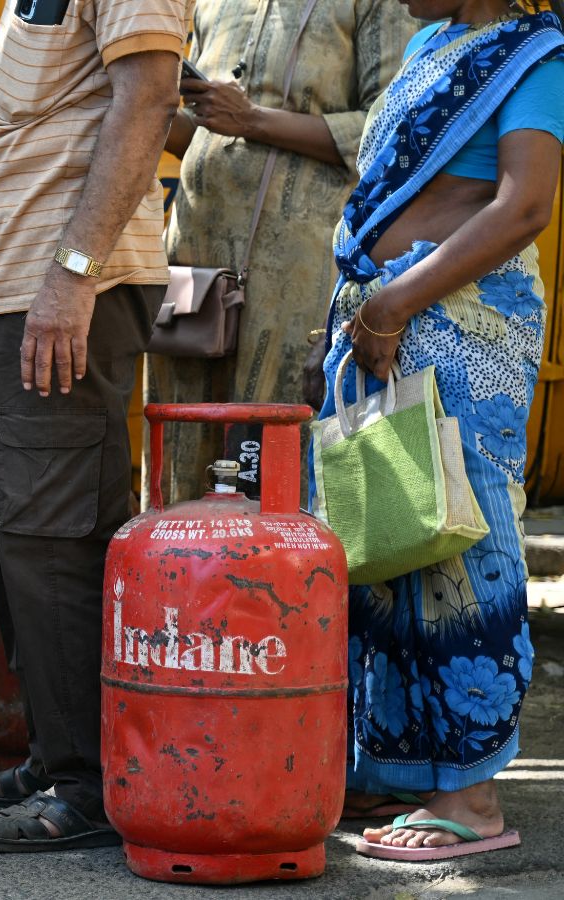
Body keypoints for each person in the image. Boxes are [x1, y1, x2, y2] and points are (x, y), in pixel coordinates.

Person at [0, 0, 189, 852]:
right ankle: (58, 758)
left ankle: (89, 785)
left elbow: (150, 96)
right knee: (20, 529)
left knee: (55, 538)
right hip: (11, 288)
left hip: (62, 287)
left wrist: (73, 275)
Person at [316, 0, 562, 861]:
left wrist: (398, 297)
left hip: (465, 329)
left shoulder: (538, 59)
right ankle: (397, 772)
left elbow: (526, 204)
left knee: (464, 537)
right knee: (380, 538)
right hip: (382, 321)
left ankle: (473, 801)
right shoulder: (429, 43)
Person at [148, 0, 418, 502]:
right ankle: (174, 575)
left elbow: (397, 129)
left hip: (296, 271)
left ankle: (270, 579)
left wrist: (251, 119)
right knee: (180, 440)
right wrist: (147, 100)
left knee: (268, 454)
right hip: (194, 260)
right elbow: (209, 137)